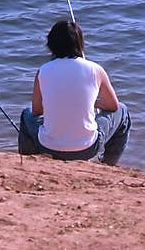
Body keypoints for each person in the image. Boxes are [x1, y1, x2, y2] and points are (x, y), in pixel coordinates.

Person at [18, 18, 131, 165]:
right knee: (123, 111)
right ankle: (108, 164)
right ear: (80, 43)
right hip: (87, 148)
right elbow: (113, 107)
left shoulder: (43, 71)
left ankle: (28, 161)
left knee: (26, 114)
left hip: (48, 146)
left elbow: (37, 111)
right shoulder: (96, 69)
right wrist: (90, 103)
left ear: (51, 44)